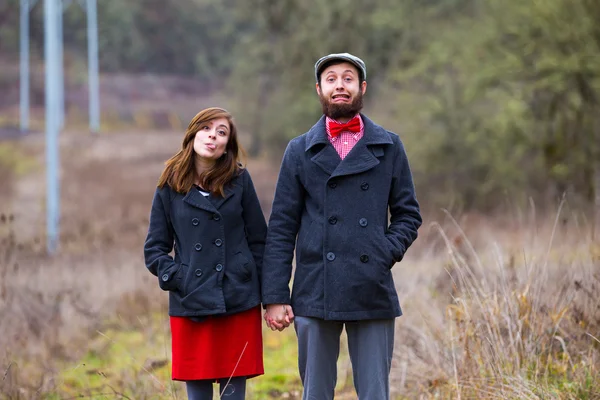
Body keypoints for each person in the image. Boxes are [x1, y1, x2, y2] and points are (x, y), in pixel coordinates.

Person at [262, 53, 422, 399]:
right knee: (316, 392)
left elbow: (408, 214)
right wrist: (275, 295)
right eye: (331, 79)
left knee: (375, 393)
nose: (339, 86)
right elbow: (281, 228)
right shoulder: (299, 150)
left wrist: (383, 251)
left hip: (371, 285)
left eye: (348, 78)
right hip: (314, 287)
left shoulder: (390, 146)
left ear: (361, 88)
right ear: (318, 89)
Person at [144, 107, 267, 400]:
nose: (212, 136)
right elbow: (154, 249)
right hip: (192, 302)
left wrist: (267, 292)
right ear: (193, 134)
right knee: (197, 395)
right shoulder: (169, 185)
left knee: (233, 394)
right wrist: (179, 277)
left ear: (228, 146)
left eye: (221, 132)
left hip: (237, 298)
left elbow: (260, 241)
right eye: (206, 128)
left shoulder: (240, 181)